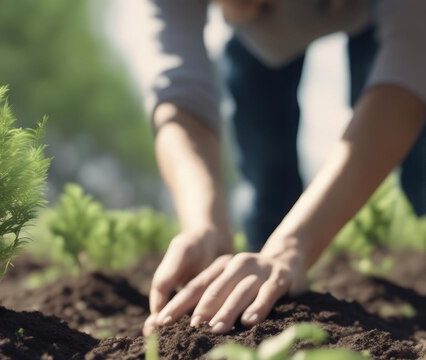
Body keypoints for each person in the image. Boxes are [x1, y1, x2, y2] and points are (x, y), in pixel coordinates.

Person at [141, 0, 426, 335]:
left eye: (261, 4)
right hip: (257, 47)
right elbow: (177, 92)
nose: (245, 11)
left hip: (384, 17)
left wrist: (293, 247)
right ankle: (266, 280)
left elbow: (409, 71)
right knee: (268, 174)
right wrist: (206, 224)